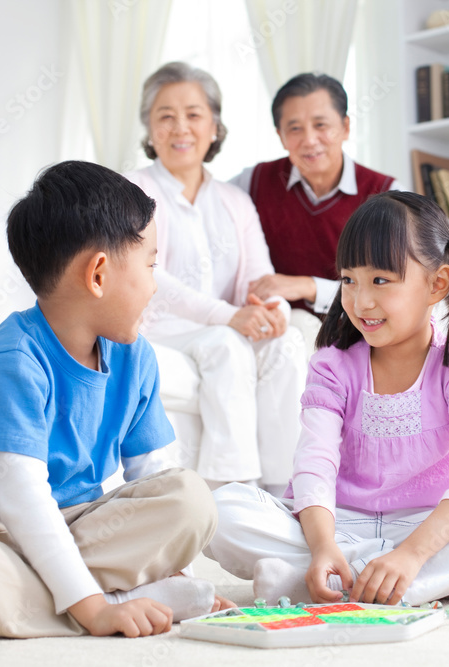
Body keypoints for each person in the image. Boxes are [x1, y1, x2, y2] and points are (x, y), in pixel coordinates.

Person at [0, 161, 230, 638]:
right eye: (150, 265)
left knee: (190, 498)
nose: (155, 284)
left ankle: (5, 602)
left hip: (76, 529)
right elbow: (22, 499)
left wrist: (176, 574)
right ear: (98, 274)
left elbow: (153, 474)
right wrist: (95, 612)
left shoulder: (136, 359)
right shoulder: (12, 359)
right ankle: (96, 601)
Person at [203, 192, 449, 606]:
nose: (360, 301)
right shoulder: (332, 364)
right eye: (349, 280)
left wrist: (411, 554)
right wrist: (322, 548)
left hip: (431, 529)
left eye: (380, 281)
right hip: (340, 525)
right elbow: (314, 465)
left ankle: (355, 580)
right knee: (223, 511)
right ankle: (438, 579)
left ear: (437, 283)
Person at [125, 62, 306, 493]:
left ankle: (289, 489)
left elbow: (260, 276)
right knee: (226, 345)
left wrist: (274, 309)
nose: (180, 127)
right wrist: (229, 317)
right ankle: (232, 489)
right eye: (165, 116)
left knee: (287, 341)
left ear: (214, 127)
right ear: (150, 131)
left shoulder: (234, 200)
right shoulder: (131, 190)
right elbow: (149, 276)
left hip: (228, 322)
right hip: (163, 327)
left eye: (193, 114)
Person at [230, 73, 406, 356]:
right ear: (281, 136)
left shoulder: (387, 194)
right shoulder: (251, 182)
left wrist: (308, 287)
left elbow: (398, 286)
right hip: (279, 336)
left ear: (346, 127)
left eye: (321, 125)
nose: (310, 140)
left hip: (365, 332)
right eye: (295, 129)